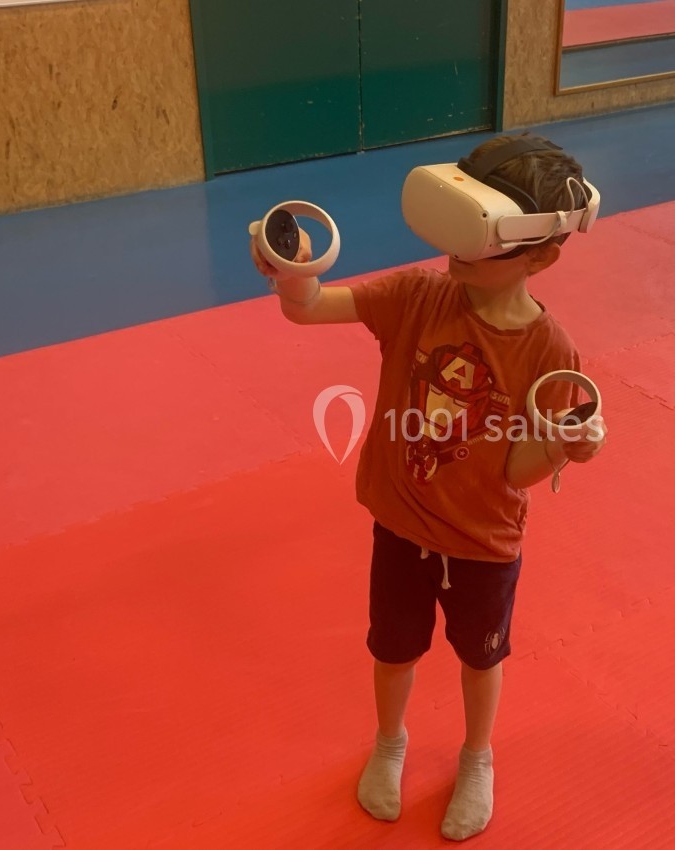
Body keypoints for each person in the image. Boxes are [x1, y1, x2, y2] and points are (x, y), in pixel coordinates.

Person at [250, 133, 607, 841]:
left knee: (482, 657)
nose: (456, 252)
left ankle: (477, 757)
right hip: (400, 523)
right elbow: (311, 307)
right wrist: (291, 270)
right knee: (393, 649)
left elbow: (517, 472)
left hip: (483, 538)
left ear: (539, 254)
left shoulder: (548, 350)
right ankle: (391, 743)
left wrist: (568, 445)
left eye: (476, 241)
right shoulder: (418, 295)